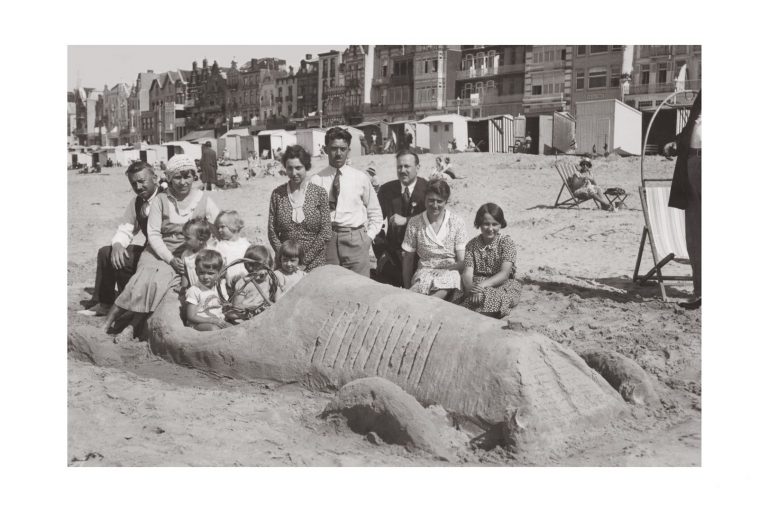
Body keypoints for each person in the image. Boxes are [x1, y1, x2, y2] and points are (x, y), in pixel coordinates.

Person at [102, 154, 220, 341]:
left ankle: (131, 326)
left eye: (187, 176)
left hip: (187, 252)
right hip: (158, 250)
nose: (183, 182)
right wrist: (170, 259)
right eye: (177, 177)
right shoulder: (161, 199)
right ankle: (108, 321)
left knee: (160, 281)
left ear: (194, 176)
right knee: (144, 277)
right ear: (170, 178)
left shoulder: (204, 199)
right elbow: (154, 234)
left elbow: (219, 228)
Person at [78, 161, 161, 317]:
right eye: (133, 183)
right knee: (107, 253)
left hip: (165, 254)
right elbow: (126, 228)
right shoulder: (137, 202)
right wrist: (117, 244)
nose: (138, 187)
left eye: (142, 181)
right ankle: (105, 303)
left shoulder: (167, 197)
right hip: (148, 251)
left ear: (155, 178)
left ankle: (129, 304)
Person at [310, 127, 383, 276]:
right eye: (334, 149)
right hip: (328, 240)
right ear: (325, 149)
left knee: (359, 289)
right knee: (331, 288)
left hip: (356, 239)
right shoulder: (316, 180)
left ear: (348, 150)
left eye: (343, 149)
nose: (338, 153)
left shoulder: (360, 178)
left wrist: (368, 239)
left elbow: (375, 213)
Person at [268, 145, 332, 271]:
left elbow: (326, 231)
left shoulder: (319, 193)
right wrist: (286, 259)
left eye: (298, 168)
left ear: (306, 167)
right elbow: (272, 231)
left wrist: (304, 262)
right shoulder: (277, 194)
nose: (294, 173)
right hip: (285, 266)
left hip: (315, 265)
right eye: (289, 168)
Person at [401, 179, 467, 300]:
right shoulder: (415, 222)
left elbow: (462, 261)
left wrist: (446, 269)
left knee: (442, 289)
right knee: (414, 292)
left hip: (450, 271)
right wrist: (406, 286)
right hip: (425, 270)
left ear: (446, 201)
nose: (435, 205)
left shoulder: (457, 222)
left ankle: (430, 303)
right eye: (431, 200)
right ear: (424, 199)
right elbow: (408, 258)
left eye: (439, 201)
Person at [456, 203, 523, 318]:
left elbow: (504, 274)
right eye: (486, 224)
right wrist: (471, 287)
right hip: (476, 283)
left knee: (492, 298)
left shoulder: (506, 243)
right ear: (479, 224)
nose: (490, 229)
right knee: (469, 300)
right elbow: (468, 272)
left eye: (494, 224)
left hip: (501, 283)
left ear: (500, 224)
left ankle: (483, 318)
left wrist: (482, 286)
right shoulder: (471, 245)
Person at [373, 149, 428, 287]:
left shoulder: (428, 189)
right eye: (399, 166)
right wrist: (381, 253)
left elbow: (434, 219)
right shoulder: (386, 190)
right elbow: (375, 220)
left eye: (407, 166)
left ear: (418, 167)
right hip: (393, 258)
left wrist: (406, 220)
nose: (402, 170)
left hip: (421, 258)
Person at [669, 91, 702, 310]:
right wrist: (675, 143)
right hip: (693, 161)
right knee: (696, 230)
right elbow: (691, 126)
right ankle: (700, 290)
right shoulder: (703, 97)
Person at [184, 249, 230, 331]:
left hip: (218, 320)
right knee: (214, 329)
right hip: (198, 323)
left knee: (234, 328)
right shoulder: (194, 290)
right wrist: (211, 320)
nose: (205, 277)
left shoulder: (220, 287)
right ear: (196, 271)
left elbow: (225, 306)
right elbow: (191, 316)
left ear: (219, 273)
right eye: (201, 273)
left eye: (210, 273)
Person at [231, 245, 281, 318]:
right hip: (245, 314)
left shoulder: (269, 279)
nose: (263, 272)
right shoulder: (244, 283)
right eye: (258, 269)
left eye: (265, 268)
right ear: (249, 267)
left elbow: (277, 300)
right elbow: (236, 305)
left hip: (263, 313)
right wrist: (253, 308)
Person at [213, 210, 250, 287]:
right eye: (218, 227)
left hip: (246, 281)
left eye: (222, 227)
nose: (219, 230)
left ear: (234, 226)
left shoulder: (245, 244)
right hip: (229, 283)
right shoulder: (220, 246)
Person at [179, 218, 215, 290]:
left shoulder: (211, 253)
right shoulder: (185, 255)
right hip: (195, 291)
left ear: (201, 239)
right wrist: (183, 288)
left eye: (187, 238)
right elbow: (185, 274)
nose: (184, 241)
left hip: (212, 290)